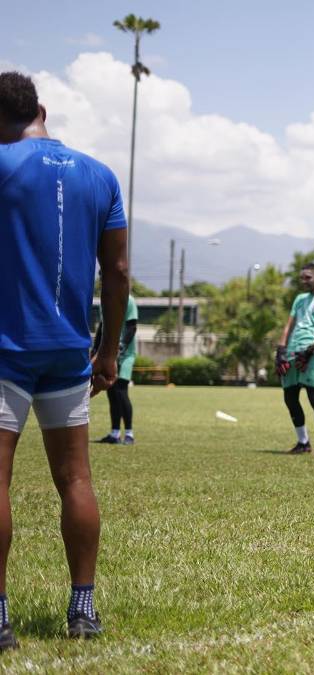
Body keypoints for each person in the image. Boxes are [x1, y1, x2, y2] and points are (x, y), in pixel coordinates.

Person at [0, 71, 130, 644]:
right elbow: (119, 272)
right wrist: (108, 350)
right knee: (76, 478)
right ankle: (82, 609)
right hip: (70, 353)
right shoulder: (101, 175)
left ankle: (0, 616)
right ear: (42, 110)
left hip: (6, 350)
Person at [276, 264, 314, 456]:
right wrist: (281, 349)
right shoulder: (299, 299)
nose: (304, 281)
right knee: (290, 397)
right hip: (293, 352)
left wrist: (312, 349)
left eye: (308, 277)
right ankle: (303, 442)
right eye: (301, 278)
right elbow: (289, 326)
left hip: (311, 352)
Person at [93, 294, 138, 445]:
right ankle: (115, 433)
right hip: (109, 354)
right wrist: (95, 350)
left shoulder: (128, 300)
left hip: (125, 355)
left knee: (120, 390)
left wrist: (121, 346)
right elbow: (102, 326)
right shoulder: (104, 300)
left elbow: (132, 326)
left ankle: (129, 434)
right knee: (111, 392)